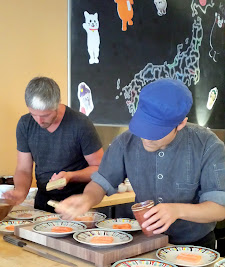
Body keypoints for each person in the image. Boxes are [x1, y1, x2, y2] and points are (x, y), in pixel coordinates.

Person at [55, 78, 225, 248]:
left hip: (195, 245)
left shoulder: (207, 145)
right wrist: (87, 198)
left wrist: (177, 210)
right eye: (143, 127)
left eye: (155, 131)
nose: (146, 138)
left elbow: (219, 208)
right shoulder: (125, 141)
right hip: (145, 242)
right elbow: (101, 182)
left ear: (180, 123)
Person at [4, 76, 104, 211]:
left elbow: (100, 168)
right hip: (43, 202)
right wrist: (21, 191)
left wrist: (71, 176)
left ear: (57, 104)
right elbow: (23, 169)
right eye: (33, 114)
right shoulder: (25, 124)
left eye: (45, 115)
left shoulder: (80, 124)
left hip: (77, 204)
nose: (39, 121)